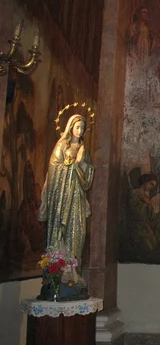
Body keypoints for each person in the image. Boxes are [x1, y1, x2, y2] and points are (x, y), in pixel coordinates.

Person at [38, 114, 94, 284]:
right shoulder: (62, 145)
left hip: (77, 197)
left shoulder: (84, 149)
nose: (80, 131)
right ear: (71, 127)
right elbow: (54, 169)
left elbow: (88, 174)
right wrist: (71, 165)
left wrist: (82, 164)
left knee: (79, 232)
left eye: (83, 128)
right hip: (63, 198)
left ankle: (74, 273)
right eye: (78, 127)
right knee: (62, 232)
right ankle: (59, 273)